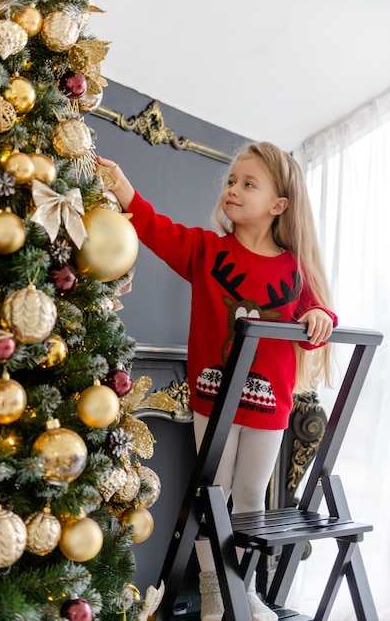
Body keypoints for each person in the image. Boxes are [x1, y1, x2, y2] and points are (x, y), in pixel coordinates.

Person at [97, 141, 337, 621]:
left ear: (277, 205)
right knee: (215, 495)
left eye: (249, 183)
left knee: (250, 500)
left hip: (270, 407)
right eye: (231, 180)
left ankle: (241, 590)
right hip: (214, 399)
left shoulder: (295, 268)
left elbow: (319, 320)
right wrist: (123, 188)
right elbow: (158, 230)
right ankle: (213, 591)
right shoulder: (206, 251)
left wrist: (317, 314)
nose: (233, 189)